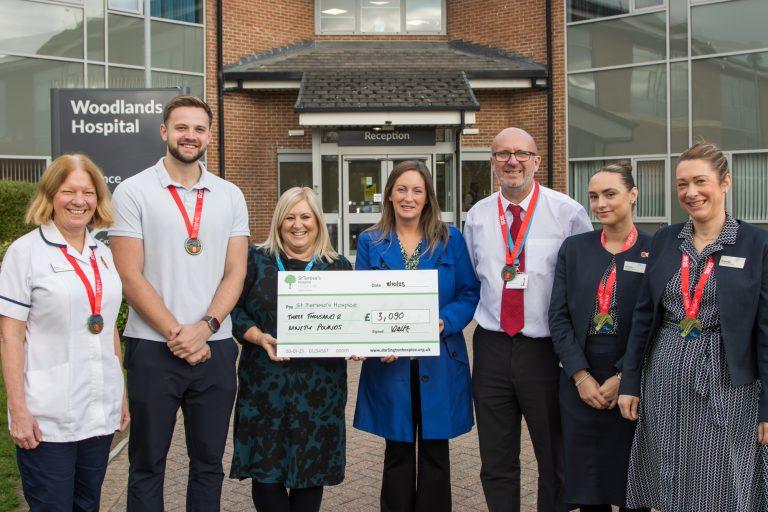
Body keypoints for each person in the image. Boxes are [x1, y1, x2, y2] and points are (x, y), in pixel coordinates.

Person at [109, 95, 249, 511]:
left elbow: (235, 272)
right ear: (164, 131)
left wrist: (203, 328)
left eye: (199, 129)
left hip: (216, 347)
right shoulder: (133, 191)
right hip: (153, 348)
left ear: (209, 135)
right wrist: (179, 334)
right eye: (182, 127)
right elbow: (129, 275)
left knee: (208, 463)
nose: (191, 136)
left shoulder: (229, 195)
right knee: (147, 463)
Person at [618, 142, 768, 512]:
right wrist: (630, 381)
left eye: (700, 181)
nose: (690, 193)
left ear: (725, 182)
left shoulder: (755, 244)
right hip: (665, 375)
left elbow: (766, 330)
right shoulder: (667, 239)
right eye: (682, 184)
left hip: (728, 381)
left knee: (721, 477)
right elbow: (643, 316)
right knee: (669, 471)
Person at [463, 127, 593, 512]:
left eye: (521, 153)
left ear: (537, 161)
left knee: (554, 455)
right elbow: (475, 279)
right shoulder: (478, 216)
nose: (512, 161)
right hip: (492, 346)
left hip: (546, 350)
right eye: (502, 154)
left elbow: (583, 284)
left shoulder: (567, 212)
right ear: (492, 163)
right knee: (496, 457)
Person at [0, 154, 129, 510]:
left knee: (87, 505)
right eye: (69, 190)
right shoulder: (24, 254)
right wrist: (18, 409)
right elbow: (10, 336)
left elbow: (106, 327)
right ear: (51, 194)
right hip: (47, 415)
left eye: (88, 192)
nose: (79, 200)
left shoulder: (102, 254)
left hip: (97, 411)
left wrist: (119, 393)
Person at [353, 160, 480, 512]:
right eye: (402, 189)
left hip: (439, 360)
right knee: (397, 451)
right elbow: (362, 300)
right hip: (391, 365)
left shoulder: (450, 239)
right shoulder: (370, 241)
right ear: (390, 194)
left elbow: (469, 293)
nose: (409, 197)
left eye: (417, 190)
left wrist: (442, 322)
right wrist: (374, 339)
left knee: (436, 452)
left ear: (428, 198)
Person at [229, 187, 352, 512]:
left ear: (318, 222)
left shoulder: (337, 266)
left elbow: (352, 319)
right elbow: (236, 311)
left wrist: (358, 342)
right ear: (279, 221)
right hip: (264, 388)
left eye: (305, 217)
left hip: (318, 392)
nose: (298, 224)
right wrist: (258, 336)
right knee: (266, 477)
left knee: (309, 476)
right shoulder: (257, 259)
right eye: (290, 217)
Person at [548, 163, 651, 512]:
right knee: (588, 486)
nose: (600, 203)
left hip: (633, 378)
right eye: (594, 196)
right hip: (582, 377)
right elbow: (558, 317)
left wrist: (625, 377)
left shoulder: (657, 250)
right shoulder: (575, 248)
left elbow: (656, 322)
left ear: (633, 195)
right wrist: (579, 376)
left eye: (610, 194)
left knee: (631, 482)